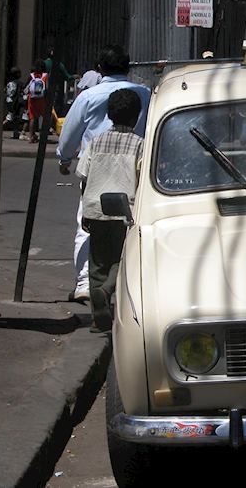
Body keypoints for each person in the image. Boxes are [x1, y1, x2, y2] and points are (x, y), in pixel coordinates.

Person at [56, 44, 149, 303]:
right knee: (130, 229)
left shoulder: (88, 96)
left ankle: (86, 283)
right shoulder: (145, 94)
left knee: (87, 228)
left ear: (99, 69)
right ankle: (121, 283)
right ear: (128, 68)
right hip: (134, 170)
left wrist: (64, 160)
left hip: (96, 171)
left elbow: (70, 133)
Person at [75, 89, 143, 332]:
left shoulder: (96, 141)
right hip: (126, 212)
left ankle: (99, 319)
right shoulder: (140, 145)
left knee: (97, 264)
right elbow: (140, 177)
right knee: (122, 258)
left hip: (96, 208)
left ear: (109, 115)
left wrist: (86, 208)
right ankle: (108, 289)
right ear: (137, 117)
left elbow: (84, 177)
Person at [24, 60, 49, 143]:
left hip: (32, 99)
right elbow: (47, 88)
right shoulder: (45, 76)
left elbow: (26, 86)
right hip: (41, 99)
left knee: (32, 118)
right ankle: (43, 136)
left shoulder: (31, 75)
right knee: (42, 117)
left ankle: (31, 137)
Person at [4, 67, 25, 139]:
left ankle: (15, 133)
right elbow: (20, 93)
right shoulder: (19, 83)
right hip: (15, 103)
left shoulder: (9, 83)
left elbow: (6, 92)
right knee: (11, 118)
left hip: (9, 101)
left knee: (14, 118)